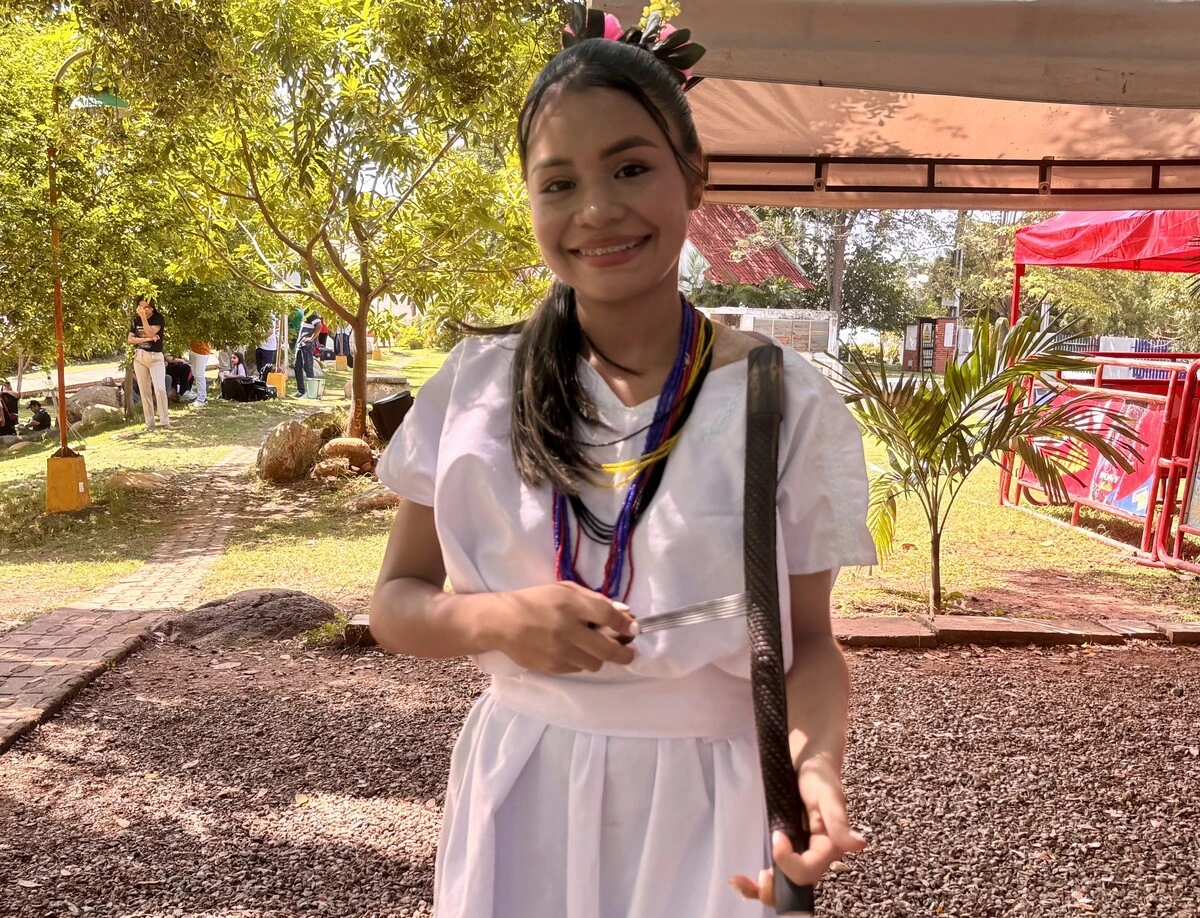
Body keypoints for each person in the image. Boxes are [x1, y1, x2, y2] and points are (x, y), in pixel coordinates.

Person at [368, 14, 877, 918]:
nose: (597, 209)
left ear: (695, 176)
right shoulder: (476, 387)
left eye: (631, 168)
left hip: (713, 806)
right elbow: (395, 604)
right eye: (558, 182)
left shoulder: (783, 399)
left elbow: (809, 645)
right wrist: (495, 618)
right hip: (523, 788)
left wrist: (816, 774)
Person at [127, 295, 171, 431]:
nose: (144, 310)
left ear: (152, 307)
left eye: (147, 307)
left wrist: (144, 319)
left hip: (155, 357)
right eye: (141, 307)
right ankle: (150, 424)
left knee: (160, 389)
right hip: (140, 356)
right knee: (144, 391)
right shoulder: (135, 320)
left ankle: (165, 421)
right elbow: (130, 340)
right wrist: (147, 339)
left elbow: (151, 332)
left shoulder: (158, 318)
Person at [293, 312, 321, 397]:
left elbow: (319, 326)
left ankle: (311, 392)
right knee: (297, 367)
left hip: (307, 345)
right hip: (301, 344)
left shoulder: (311, 313)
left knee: (308, 367)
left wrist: (311, 338)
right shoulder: (304, 313)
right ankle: (301, 391)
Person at [188, 341, 211, 407]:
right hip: (193, 349)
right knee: (195, 375)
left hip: (202, 351)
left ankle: (201, 399)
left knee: (199, 375)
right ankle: (200, 398)